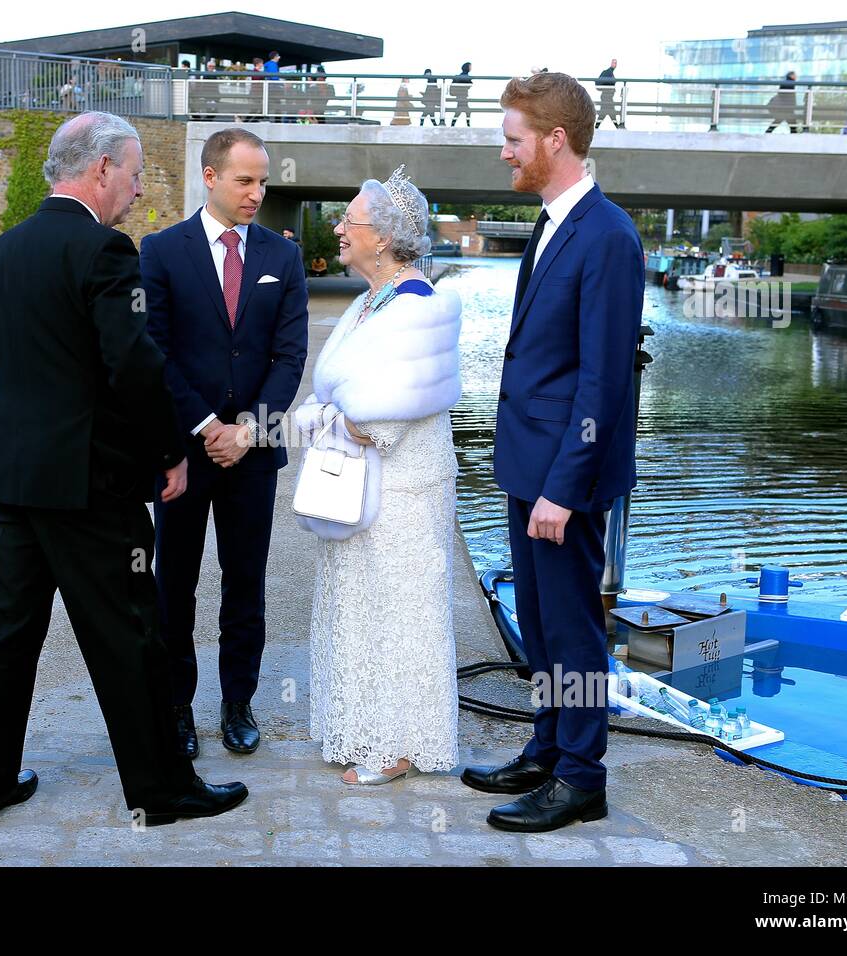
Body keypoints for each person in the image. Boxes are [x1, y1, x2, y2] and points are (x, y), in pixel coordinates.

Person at [0, 111, 248, 830]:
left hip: (21, 483)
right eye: (135, 171)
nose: (139, 186)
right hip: (96, 488)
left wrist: (27, 434)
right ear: (98, 171)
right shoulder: (106, 252)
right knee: (131, 636)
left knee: (6, 634)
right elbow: (135, 366)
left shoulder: (0, 252)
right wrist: (167, 453)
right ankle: (163, 789)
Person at [462, 71, 642, 833]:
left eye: (513, 140)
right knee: (537, 622)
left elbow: (604, 383)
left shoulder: (607, 236)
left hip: (564, 478)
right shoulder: (551, 222)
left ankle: (581, 778)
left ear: (554, 140)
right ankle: (546, 745)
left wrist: (564, 489)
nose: (505, 154)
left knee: (572, 632)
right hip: (528, 464)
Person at [140, 128, 309, 760]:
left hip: (255, 454)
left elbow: (290, 356)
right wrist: (209, 427)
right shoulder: (160, 252)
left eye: (263, 181)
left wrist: (251, 431)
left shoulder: (282, 257)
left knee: (246, 581)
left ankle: (238, 703)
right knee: (173, 584)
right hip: (183, 452)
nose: (257, 193)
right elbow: (153, 350)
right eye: (245, 181)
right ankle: (176, 707)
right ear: (210, 177)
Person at [292, 166, 462, 786]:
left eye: (348, 221)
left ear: (383, 238)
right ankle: (361, 725)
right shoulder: (372, 299)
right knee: (358, 608)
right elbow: (347, 401)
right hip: (365, 487)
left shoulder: (417, 303)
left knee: (401, 615)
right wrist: (328, 415)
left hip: (405, 492)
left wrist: (326, 418)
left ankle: (399, 744)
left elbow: (378, 420)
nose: (338, 229)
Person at [595, 58, 620, 129]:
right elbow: (598, 82)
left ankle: (596, 127)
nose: (615, 64)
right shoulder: (607, 72)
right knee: (610, 112)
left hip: (608, 96)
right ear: (611, 63)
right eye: (614, 63)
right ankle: (618, 128)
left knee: (605, 113)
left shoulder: (610, 73)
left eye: (616, 63)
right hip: (606, 96)